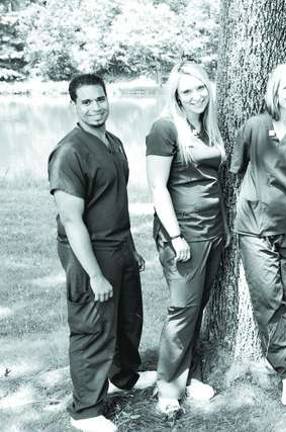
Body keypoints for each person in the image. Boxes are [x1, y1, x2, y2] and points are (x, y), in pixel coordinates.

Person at [48, 74, 155, 432]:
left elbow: (114, 201)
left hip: (120, 247)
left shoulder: (115, 142)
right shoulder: (69, 152)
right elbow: (71, 219)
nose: (96, 107)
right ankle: (86, 411)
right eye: (87, 102)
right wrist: (93, 274)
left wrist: (130, 248)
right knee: (92, 329)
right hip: (89, 253)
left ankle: (123, 378)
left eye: (100, 99)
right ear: (74, 106)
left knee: (127, 320)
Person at [229, 63, 286, 406]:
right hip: (254, 228)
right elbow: (237, 171)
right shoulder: (255, 126)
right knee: (268, 298)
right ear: (274, 91)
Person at [146, 61, 227, 415]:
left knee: (197, 310)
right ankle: (167, 390)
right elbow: (156, 186)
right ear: (176, 97)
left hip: (213, 232)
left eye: (199, 88)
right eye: (186, 91)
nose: (195, 96)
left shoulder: (208, 127)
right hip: (184, 236)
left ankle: (186, 376)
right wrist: (175, 235)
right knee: (182, 311)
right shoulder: (165, 128)